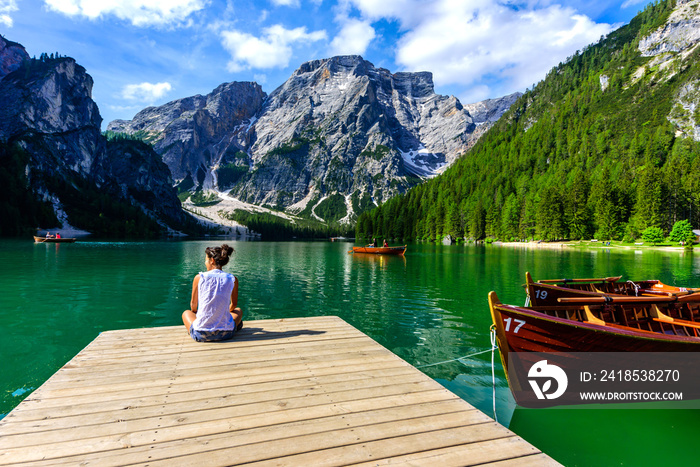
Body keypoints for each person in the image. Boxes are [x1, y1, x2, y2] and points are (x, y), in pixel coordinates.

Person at [182, 244, 243, 342]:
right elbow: (234, 305)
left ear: (212, 261)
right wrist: (222, 312)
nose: (205, 262)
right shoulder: (232, 279)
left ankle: (195, 329)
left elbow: (193, 306)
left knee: (186, 313)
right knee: (238, 310)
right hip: (226, 333)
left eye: (206, 260)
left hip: (200, 334)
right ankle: (228, 324)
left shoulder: (199, 277)